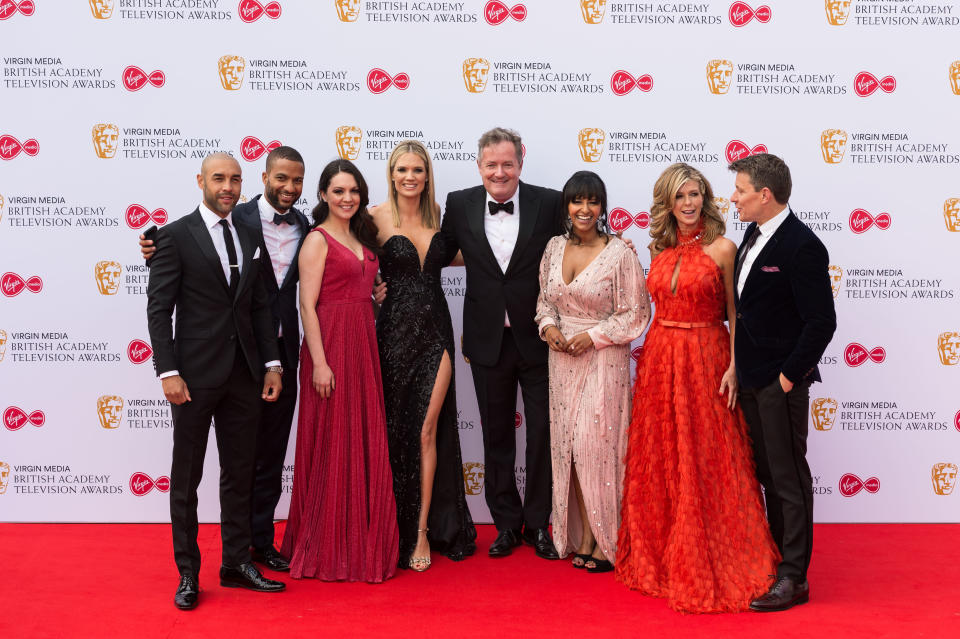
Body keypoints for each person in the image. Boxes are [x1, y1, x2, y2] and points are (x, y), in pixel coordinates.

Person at [616, 163, 779, 613]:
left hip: (707, 356)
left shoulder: (725, 248)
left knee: (708, 457)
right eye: (680, 196)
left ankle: (720, 553)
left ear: (705, 199)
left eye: (695, 195)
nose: (688, 203)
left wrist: (733, 365)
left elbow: (734, 314)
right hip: (661, 359)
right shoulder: (658, 247)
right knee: (664, 455)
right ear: (668, 204)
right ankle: (663, 552)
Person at [146, 153, 286, 610]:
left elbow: (260, 305)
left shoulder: (248, 232)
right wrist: (167, 371)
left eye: (235, 179)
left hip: (244, 376)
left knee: (239, 474)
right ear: (201, 181)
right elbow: (159, 309)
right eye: (219, 178)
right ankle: (188, 573)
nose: (228, 186)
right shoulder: (173, 236)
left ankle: (234, 563)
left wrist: (271, 364)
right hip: (192, 377)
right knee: (187, 479)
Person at [439, 127, 562, 560]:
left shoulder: (550, 202)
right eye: (491, 164)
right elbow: (436, 253)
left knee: (543, 436)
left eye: (507, 164)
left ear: (521, 163)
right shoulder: (459, 203)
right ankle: (506, 526)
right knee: (496, 437)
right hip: (486, 340)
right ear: (479, 166)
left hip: (541, 337)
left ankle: (539, 525)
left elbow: (576, 247)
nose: (500, 172)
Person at [280, 159, 398, 583]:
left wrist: (376, 295)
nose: (347, 198)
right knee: (331, 439)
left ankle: (357, 539)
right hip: (328, 345)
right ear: (324, 195)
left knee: (360, 436)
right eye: (339, 191)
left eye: (354, 191)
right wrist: (320, 363)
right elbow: (306, 305)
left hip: (362, 343)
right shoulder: (317, 239)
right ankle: (327, 541)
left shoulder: (361, 236)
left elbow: (357, 291)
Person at [728, 153, 836, 612]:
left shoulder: (802, 245)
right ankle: (775, 561)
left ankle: (794, 577)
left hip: (780, 384)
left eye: (740, 190)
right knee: (769, 476)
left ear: (764, 195)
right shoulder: (751, 234)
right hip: (750, 379)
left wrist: (788, 380)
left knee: (789, 480)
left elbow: (822, 323)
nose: (732, 197)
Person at [534, 171, 650, 573]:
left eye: (593, 202)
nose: (584, 210)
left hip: (602, 360)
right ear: (566, 205)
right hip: (561, 359)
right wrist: (548, 326)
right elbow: (545, 301)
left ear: (603, 207)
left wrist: (595, 337)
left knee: (594, 450)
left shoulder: (619, 253)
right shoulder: (552, 247)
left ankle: (607, 539)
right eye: (576, 201)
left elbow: (635, 313)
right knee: (568, 451)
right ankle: (583, 536)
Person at [369, 140, 477, 571]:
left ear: (427, 175)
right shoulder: (372, 219)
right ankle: (389, 525)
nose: (410, 177)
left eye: (417, 170)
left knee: (428, 430)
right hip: (392, 335)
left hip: (437, 334)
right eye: (402, 170)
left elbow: (495, 257)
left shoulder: (444, 224)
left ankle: (420, 532)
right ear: (392, 174)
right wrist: (371, 294)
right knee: (395, 430)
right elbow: (338, 256)